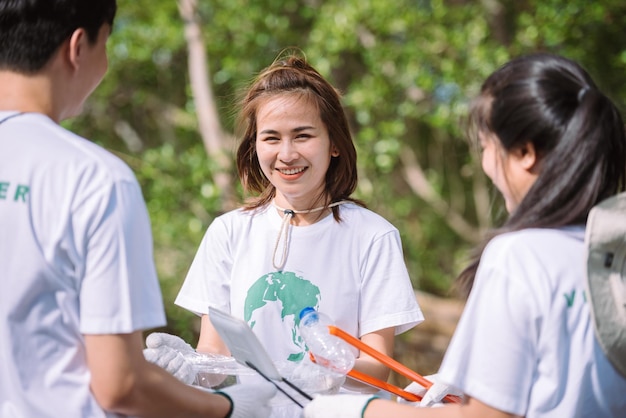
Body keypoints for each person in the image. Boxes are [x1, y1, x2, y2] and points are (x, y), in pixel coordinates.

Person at [303, 53, 626, 417]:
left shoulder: (519, 255)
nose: (486, 164)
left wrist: (360, 411)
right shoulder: (612, 251)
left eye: (486, 146)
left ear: (524, 153)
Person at [0, 1, 275, 417]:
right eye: (106, 43)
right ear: (78, 47)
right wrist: (227, 408)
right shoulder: (94, 179)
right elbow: (120, 386)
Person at [147, 52, 424, 398]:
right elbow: (215, 357)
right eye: (272, 138)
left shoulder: (373, 236)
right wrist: (191, 367)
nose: (287, 154)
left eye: (303, 135)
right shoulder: (228, 233)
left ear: (334, 143)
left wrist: (330, 369)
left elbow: (379, 366)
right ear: (254, 145)